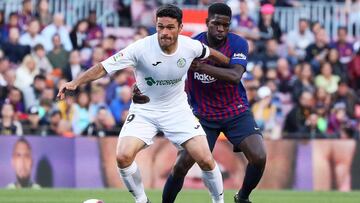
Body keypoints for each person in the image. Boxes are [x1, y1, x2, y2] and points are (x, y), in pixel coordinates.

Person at [57, 4, 228, 203]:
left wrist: (230, 63)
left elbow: (211, 53)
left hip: (177, 111)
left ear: (180, 28)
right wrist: (75, 82)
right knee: (123, 156)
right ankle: (142, 200)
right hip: (145, 110)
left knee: (206, 160)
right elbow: (104, 67)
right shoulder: (141, 48)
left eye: (170, 27)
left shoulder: (190, 46)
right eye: (160, 27)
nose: (164, 32)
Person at [133, 3, 266, 203]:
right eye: (216, 24)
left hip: (235, 111)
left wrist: (202, 67)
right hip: (203, 117)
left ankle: (242, 197)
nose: (221, 29)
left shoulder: (238, 44)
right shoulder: (190, 45)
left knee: (259, 156)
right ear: (207, 23)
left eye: (225, 25)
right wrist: (143, 88)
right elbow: (165, 73)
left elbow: (235, 75)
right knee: (180, 166)